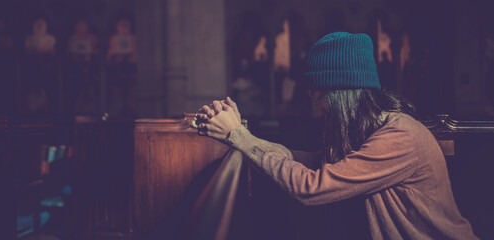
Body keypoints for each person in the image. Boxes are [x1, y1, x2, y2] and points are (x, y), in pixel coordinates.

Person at [194, 32, 477, 239]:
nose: (319, 110)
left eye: (319, 99)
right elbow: (313, 161)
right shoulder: (369, 130)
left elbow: (311, 188)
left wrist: (239, 136)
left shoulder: (400, 135)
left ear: (342, 96)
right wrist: (240, 135)